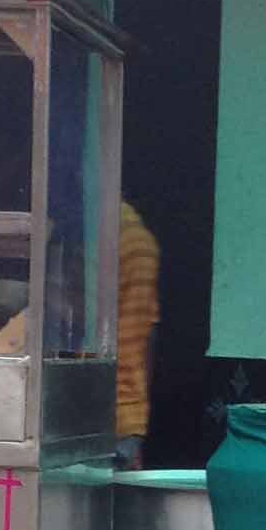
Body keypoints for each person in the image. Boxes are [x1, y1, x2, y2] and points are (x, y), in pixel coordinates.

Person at [114, 197, 160, 465]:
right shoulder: (137, 239)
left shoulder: (117, 237)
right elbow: (148, 337)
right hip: (125, 417)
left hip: (111, 418)